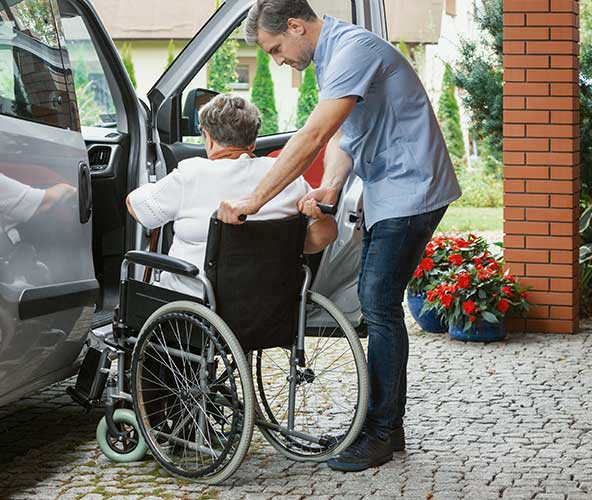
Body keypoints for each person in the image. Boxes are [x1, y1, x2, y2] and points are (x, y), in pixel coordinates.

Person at [216, 0, 461, 472]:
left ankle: (382, 432)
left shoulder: (353, 49)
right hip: (389, 191)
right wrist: (330, 185)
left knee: (378, 305)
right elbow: (344, 139)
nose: (278, 60)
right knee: (379, 303)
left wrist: (255, 200)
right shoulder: (331, 60)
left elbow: (312, 134)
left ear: (294, 26)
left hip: (412, 189)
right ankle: (385, 424)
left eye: (275, 49)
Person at [126, 93, 337, 297]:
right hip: (270, 307)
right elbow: (321, 238)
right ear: (252, 143)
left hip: (196, 305)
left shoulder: (191, 174)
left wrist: (148, 188)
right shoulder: (287, 177)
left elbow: (138, 208)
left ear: (208, 139)